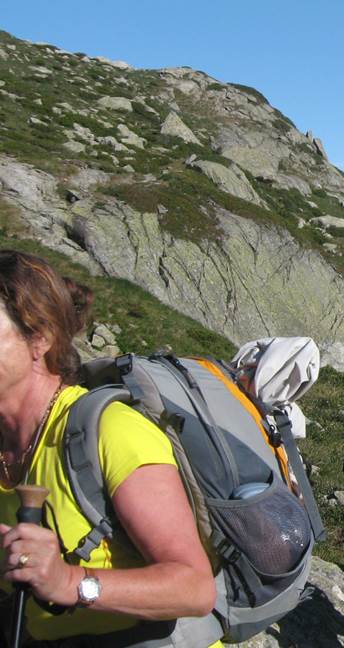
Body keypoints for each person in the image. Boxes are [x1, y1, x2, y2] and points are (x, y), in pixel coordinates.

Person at [0, 250, 217, 645]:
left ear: (40, 339)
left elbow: (195, 587)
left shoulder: (111, 431)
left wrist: (69, 581)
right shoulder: (5, 443)